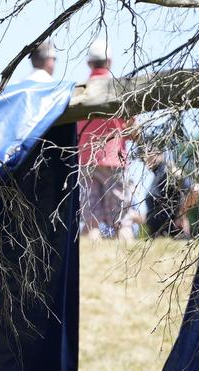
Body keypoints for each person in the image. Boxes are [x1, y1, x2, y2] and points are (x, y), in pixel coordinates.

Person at [77, 40, 136, 242]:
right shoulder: (120, 89)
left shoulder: (79, 91)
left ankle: (92, 268)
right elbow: (131, 128)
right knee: (122, 220)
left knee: (91, 220)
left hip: (86, 160)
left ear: (89, 64)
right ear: (109, 62)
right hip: (115, 160)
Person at [143, 149, 199, 239]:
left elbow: (196, 190)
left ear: (159, 155)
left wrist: (182, 213)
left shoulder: (169, 170)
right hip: (158, 236)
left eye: (149, 153)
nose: (145, 157)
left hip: (172, 233)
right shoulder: (157, 174)